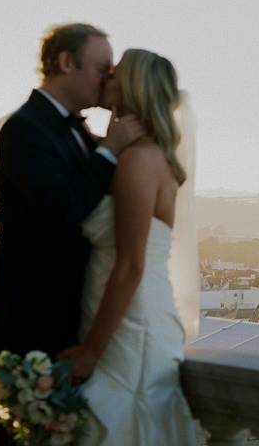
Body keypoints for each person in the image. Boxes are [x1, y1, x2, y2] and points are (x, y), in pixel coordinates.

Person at [0, 23, 145, 446]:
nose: (108, 80)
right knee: (20, 435)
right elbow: (66, 209)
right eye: (102, 69)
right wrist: (110, 149)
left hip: (72, 315)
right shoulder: (23, 129)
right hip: (30, 319)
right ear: (67, 63)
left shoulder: (76, 131)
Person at [58, 48, 199, 445]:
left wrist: (90, 350)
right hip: (117, 308)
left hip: (129, 321)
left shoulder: (139, 160)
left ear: (133, 88)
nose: (105, 80)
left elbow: (131, 265)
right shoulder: (138, 153)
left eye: (114, 76)